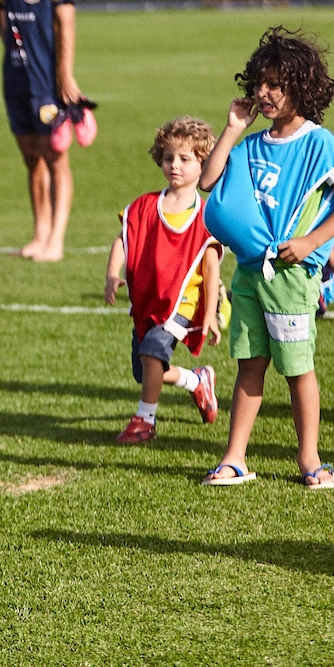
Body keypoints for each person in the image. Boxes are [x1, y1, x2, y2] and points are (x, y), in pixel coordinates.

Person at [199, 26, 334, 488]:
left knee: (297, 370)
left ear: (303, 88)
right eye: (259, 84)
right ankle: (235, 458)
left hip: (292, 277)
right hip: (249, 275)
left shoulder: (319, 144)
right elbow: (208, 183)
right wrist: (233, 129)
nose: (265, 93)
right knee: (250, 365)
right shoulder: (251, 144)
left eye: (276, 84)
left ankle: (309, 459)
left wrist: (313, 242)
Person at [104, 117, 223, 443]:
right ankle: (196, 381)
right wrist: (113, 274)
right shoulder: (144, 206)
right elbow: (122, 238)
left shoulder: (205, 217)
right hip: (149, 301)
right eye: (169, 157)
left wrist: (210, 314)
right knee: (145, 370)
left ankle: (145, 420)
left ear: (204, 163)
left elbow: (211, 267)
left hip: (181, 302)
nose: (175, 165)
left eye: (186, 159)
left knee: (153, 352)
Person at [0, 0, 84, 263]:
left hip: (49, 81)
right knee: (32, 158)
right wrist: (10, 43)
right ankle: (39, 233)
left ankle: (56, 240)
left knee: (55, 157)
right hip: (15, 77)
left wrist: (65, 74)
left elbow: (67, 24)